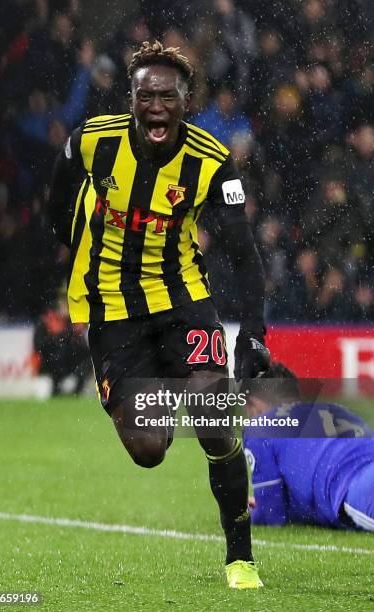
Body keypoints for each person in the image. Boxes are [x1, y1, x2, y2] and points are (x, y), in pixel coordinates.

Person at [49, 40, 269, 589]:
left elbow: (244, 253)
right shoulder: (93, 143)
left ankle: (240, 558)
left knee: (215, 417)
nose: (155, 106)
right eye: (145, 95)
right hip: (111, 309)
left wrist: (255, 333)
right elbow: (59, 190)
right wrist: (70, 239)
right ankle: (167, 393)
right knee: (148, 449)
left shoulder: (212, 160)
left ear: (185, 100)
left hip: (181, 300)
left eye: (167, 96)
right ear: (130, 98)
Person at [243, 363, 374, 530]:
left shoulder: (260, 426)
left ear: (254, 404)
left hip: (357, 488)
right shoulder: (336, 409)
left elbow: (272, 515)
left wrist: (243, 511)